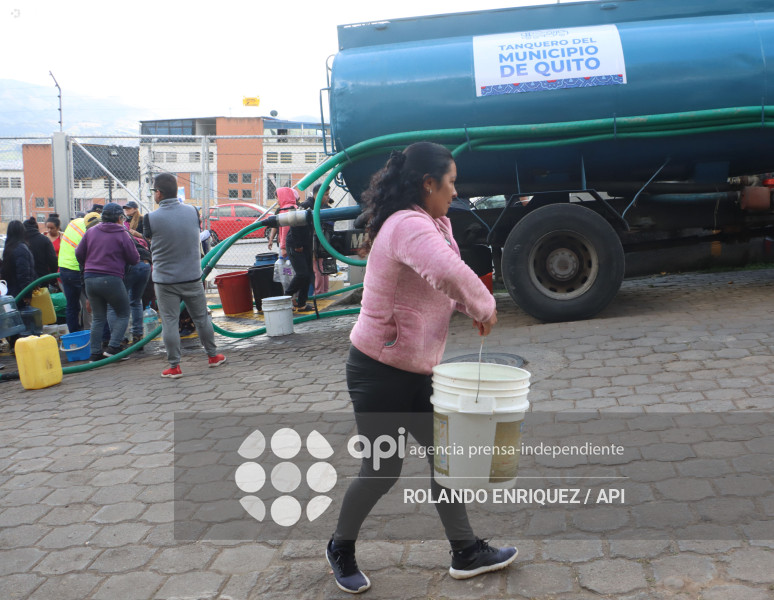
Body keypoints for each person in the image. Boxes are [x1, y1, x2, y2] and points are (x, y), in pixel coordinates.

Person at [325, 142, 513, 594]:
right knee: (382, 470)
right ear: (428, 184)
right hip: (379, 371)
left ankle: (466, 551)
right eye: (450, 183)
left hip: (419, 370)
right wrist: (484, 306)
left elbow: (439, 277)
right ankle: (340, 547)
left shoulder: (431, 222)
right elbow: (446, 270)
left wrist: (466, 307)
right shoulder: (408, 224)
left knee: (446, 461)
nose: (455, 191)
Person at [144, 173, 225, 378]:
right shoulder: (192, 211)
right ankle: (213, 356)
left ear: (159, 193)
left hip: (164, 280)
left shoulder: (150, 218)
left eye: (154, 191)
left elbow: (150, 238)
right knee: (201, 318)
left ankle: (174, 367)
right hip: (191, 276)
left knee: (170, 321)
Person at [75, 203, 139, 361]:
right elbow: (134, 258)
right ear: (119, 218)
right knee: (123, 313)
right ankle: (114, 347)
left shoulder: (91, 231)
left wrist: (89, 264)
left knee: (98, 317)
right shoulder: (122, 233)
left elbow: (79, 253)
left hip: (90, 278)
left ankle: (95, 353)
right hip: (111, 279)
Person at [57, 211, 101, 333]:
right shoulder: (92, 231)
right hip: (79, 270)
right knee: (90, 303)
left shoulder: (74, 223)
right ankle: (90, 333)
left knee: (72, 306)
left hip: (64, 269)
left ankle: (74, 336)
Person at [284, 197, 315, 312]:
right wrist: (297, 245)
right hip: (295, 245)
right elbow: (294, 223)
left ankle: (302, 303)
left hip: (305, 244)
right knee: (302, 274)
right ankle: (286, 297)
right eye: (325, 195)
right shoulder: (306, 206)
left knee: (308, 275)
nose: (327, 198)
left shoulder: (317, 206)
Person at [309, 183, 335, 296]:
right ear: (316, 195)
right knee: (321, 267)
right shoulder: (324, 209)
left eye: (328, 194)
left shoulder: (320, 209)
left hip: (318, 243)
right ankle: (324, 291)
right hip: (324, 242)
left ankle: (319, 292)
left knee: (318, 268)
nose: (327, 197)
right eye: (325, 195)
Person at [1, 220, 35, 301]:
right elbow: (23, 273)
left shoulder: (8, 248)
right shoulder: (21, 248)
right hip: (19, 292)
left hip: (10, 290)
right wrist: (27, 294)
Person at [23, 217, 58, 281]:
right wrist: (54, 277)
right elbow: (52, 260)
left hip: (25, 280)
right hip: (43, 278)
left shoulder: (21, 241)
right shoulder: (45, 240)